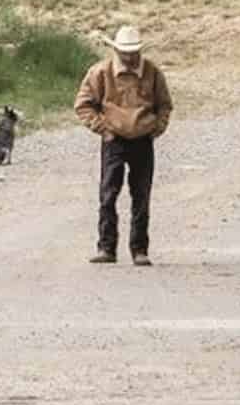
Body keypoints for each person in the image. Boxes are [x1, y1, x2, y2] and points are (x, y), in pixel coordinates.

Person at [74, 25, 174, 266]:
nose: (130, 57)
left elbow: (164, 104)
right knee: (108, 195)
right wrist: (103, 129)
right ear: (117, 51)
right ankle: (106, 247)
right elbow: (83, 105)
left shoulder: (153, 73)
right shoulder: (100, 72)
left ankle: (139, 249)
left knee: (141, 195)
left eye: (133, 52)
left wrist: (156, 128)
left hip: (143, 140)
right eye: (126, 53)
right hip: (114, 140)